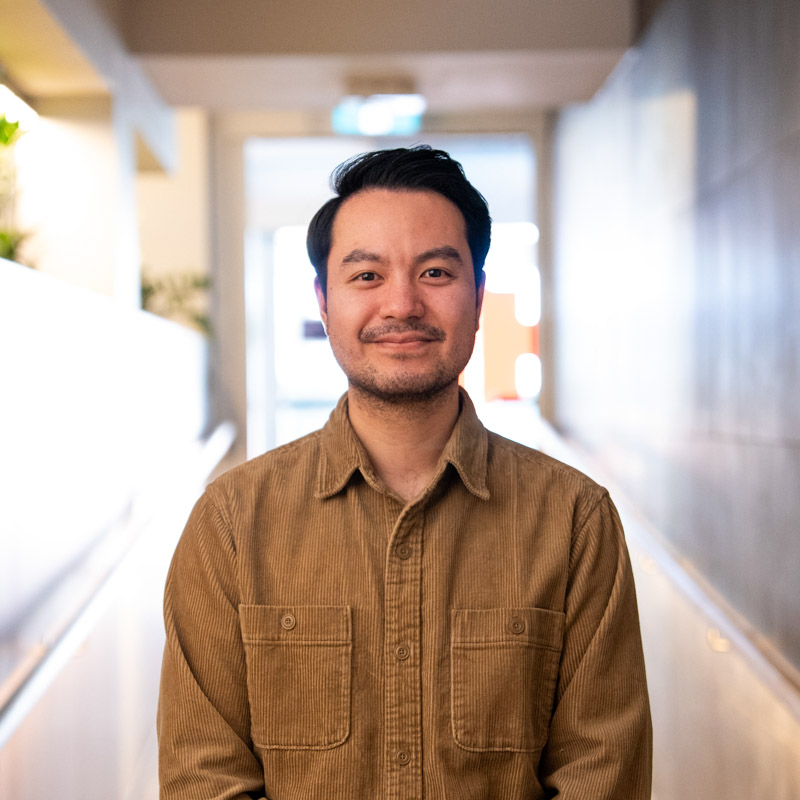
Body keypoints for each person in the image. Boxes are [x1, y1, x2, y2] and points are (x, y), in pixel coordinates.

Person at [157, 145, 652, 799]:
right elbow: (202, 778)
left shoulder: (573, 520)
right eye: (366, 276)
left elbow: (603, 774)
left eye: (436, 273)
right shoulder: (230, 524)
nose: (402, 304)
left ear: (478, 298)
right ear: (323, 301)